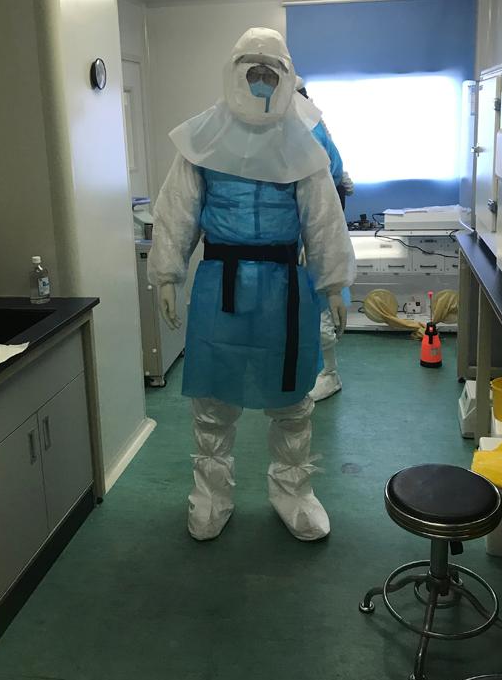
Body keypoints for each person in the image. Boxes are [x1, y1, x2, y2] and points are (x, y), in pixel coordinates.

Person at [149, 28, 355, 542]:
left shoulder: (304, 138)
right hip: (221, 283)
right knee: (213, 400)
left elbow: (323, 217)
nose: (261, 81)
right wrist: (167, 273)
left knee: (291, 398)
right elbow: (177, 210)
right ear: (235, 72)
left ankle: (293, 492)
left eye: (271, 72)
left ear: (286, 77)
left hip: (285, 287)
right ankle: (211, 494)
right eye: (253, 71)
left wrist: (334, 282)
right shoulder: (204, 135)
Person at [295, 76, 354, 401]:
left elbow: (329, 180)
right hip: (288, 235)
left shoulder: (309, 126)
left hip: (311, 230)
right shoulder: (301, 124)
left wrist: (308, 241)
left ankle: (328, 373)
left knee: (319, 305)